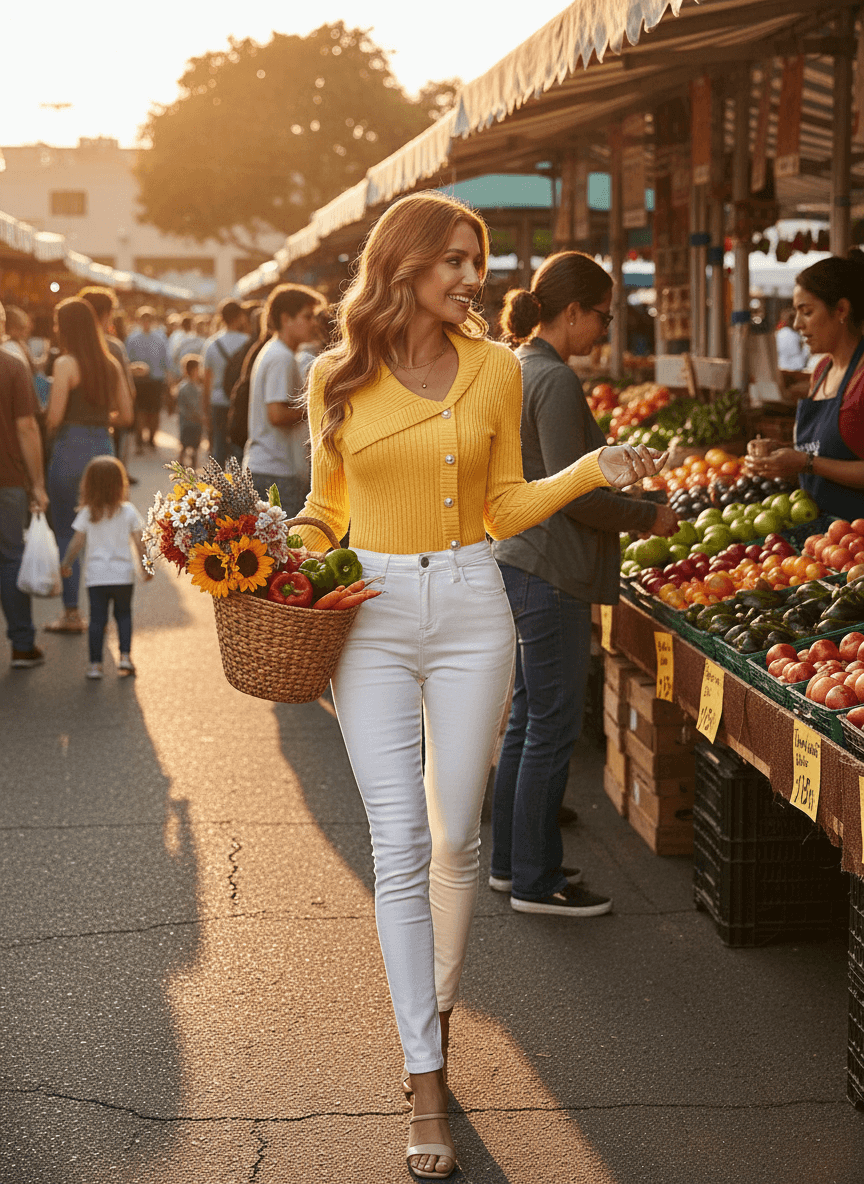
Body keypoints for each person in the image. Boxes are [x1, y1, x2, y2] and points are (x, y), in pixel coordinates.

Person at [291, 192, 665, 1179]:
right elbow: (325, 506)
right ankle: (426, 1075)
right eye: (456, 259)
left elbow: (503, 506)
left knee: (457, 836)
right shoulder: (336, 375)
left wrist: (588, 469)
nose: (473, 277)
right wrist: (281, 548)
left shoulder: (497, 369)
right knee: (400, 842)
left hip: (469, 605)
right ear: (405, 263)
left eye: (477, 259)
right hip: (371, 613)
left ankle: (437, 1007)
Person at [489, 252, 679, 918]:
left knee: (528, 720)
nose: (604, 329)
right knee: (551, 726)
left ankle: (511, 864)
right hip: (552, 567)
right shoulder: (555, 379)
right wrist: (649, 514)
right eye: (603, 315)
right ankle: (537, 881)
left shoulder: (515, 366)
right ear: (572, 311)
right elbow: (576, 494)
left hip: (521, 558)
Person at [747, 252, 864, 517]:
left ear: (841, 310)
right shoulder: (821, 371)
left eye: (807, 312)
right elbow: (820, 451)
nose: (797, 324)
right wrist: (782, 453)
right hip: (818, 530)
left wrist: (806, 462)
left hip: (855, 534)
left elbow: (814, 461)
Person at [44, 297, 134, 633]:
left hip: (71, 448)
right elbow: (126, 416)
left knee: (67, 532)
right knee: (104, 532)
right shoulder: (110, 364)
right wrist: (99, 419)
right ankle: (104, 612)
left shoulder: (65, 363)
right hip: (103, 449)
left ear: (67, 327)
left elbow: (54, 417)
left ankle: (71, 614)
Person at [60, 455, 151, 679]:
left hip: (97, 577)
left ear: (88, 484)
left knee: (97, 620)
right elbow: (140, 542)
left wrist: (67, 563)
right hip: (123, 576)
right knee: (124, 616)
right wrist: (146, 567)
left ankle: (95, 665)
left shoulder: (87, 513)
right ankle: (125, 658)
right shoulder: (128, 511)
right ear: (121, 484)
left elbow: (76, 543)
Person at [0, 301, 49, 668]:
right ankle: (21, 644)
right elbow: (27, 427)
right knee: (10, 556)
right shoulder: (12, 366)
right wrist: (38, 483)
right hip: (9, 478)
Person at [243, 284, 322, 510]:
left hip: (269, 468)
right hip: (276, 471)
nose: (313, 323)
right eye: (307, 317)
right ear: (286, 319)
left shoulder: (279, 352)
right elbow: (277, 414)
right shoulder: (281, 357)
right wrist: (316, 406)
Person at [78, 287, 137, 474]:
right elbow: (129, 394)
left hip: (70, 438)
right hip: (107, 431)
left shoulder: (67, 347)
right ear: (105, 314)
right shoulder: (113, 348)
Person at [203, 299, 250, 467]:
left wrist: (205, 409)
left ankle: (218, 480)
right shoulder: (248, 342)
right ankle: (237, 481)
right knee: (239, 447)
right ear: (240, 316)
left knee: (219, 444)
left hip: (217, 400)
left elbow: (206, 381)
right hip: (241, 402)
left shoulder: (211, 344)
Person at [125, 306, 173, 451]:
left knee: (151, 412)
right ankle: (143, 440)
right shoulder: (135, 338)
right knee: (144, 411)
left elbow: (166, 361)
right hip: (143, 380)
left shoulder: (156, 338)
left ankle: (149, 439)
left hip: (153, 380)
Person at [175, 354, 205, 469]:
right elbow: (188, 405)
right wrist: (199, 415)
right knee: (185, 444)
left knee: (195, 446)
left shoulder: (198, 386)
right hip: (188, 420)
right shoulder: (185, 387)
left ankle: (193, 465)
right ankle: (180, 463)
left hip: (196, 421)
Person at [775, 307, 810, 372]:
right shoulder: (795, 335)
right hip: (797, 368)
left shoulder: (779, 333)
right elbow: (804, 353)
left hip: (782, 366)